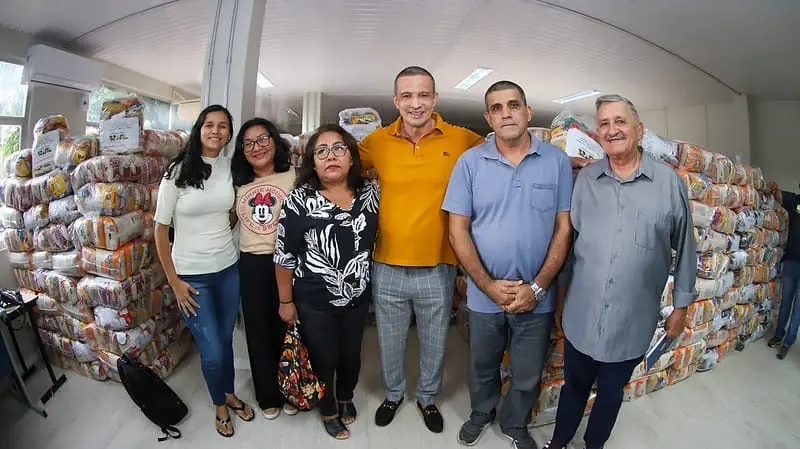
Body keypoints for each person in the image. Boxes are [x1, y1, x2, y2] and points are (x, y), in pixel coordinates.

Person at [544, 94, 697, 449]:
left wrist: (681, 307)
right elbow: (570, 246)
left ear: (639, 129)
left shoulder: (668, 183)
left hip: (632, 320)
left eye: (620, 121)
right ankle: (559, 441)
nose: (612, 130)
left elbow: (686, 248)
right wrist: (561, 298)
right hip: (582, 313)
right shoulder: (586, 180)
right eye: (604, 124)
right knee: (574, 386)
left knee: (611, 393)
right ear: (598, 133)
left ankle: (593, 444)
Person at [443, 81, 573, 449]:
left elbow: (563, 228)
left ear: (528, 112)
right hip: (485, 296)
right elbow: (457, 230)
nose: (506, 114)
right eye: (497, 108)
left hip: (537, 296)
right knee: (482, 365)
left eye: (513, 105)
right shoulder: (470, 163)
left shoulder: (556, 162)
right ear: (488, 118)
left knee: (527, 372)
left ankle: (515, 424)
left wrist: (538, 288)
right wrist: (487, 285)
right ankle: (481, 412)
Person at [359, 66, 485, 433]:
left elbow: (508, 151)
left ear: (435, 98)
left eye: (423, 95)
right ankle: (393, 394)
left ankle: (428, 398)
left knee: (435, 340)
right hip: (386, 264)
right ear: (396, 101)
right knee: (389, 340)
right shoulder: (376, 142)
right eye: (407, 96)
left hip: (437, 265)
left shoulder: (461, 139)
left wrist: (563, 160)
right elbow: (338, 166)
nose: (416, 103)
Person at [153, 104, 255, 438]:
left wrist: (222, 232)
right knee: (211, 351)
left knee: (225, 340)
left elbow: (235, 210)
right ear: (199, 129)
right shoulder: (177, 171)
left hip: (227, 270)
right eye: (209, 124)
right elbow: (160, 230)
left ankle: (229, 393)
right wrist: (174, 282)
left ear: (229, 134)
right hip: (192, 277)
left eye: (223, 126)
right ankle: (221, 406)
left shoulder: (229, 168)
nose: (216, 131)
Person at [274, 124, 380, 440]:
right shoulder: (299, 199)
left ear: (351, 157)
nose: (330, 156)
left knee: (351, 355)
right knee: (323, 357)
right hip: (314, 299)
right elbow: (284, 256)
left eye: (338, 149)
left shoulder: (370, 193)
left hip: (357, 296)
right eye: (321, 151)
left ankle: (345, 395)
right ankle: (328, 408)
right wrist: (285, 301)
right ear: (312, 162)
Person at [230, 117, 298, 419]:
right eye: (248, 143)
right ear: (242, 151)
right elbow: (226, 221)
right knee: (257, 329)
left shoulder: (295, 176)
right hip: (252, 263)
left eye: (262, 140)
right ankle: (267, 394)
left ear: (274, 141)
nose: (256, 147)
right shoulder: (239, 183)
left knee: (290, 327)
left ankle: (292, 390)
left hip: (290, 261)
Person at [766, 181, 800, 359]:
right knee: (785, 301)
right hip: (792, 261)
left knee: (798, 308)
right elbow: (779, 195)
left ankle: (788, 343)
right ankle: (779, 335)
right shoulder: (795, 201)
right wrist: (774, 188)